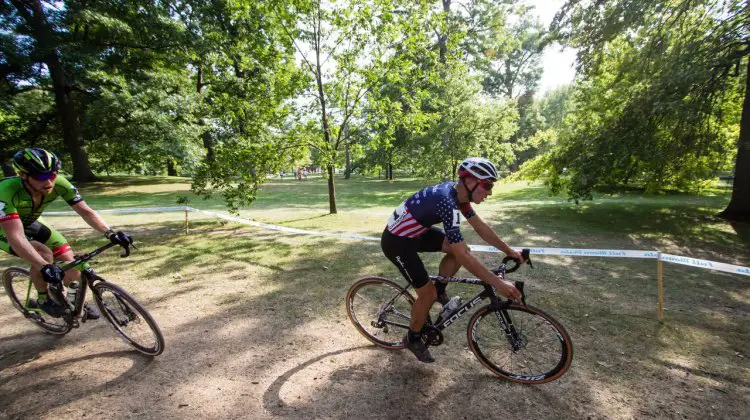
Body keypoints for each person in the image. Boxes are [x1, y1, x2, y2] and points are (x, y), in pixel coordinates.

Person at [381, 157, 524, 363]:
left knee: (460, 248)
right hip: (398, 242)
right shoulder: (446, 201)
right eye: (487, 185)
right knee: (427, 292)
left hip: (416, 233)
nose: (490, 192)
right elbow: (463, 258)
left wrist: (509, 250)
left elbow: (480, 227)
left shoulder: (459, 195)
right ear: (470, 181)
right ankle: (412, 337)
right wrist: (498, 283)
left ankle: (439, 291)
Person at [0, 148, 133, 319]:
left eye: (53, 174)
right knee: (43, 254)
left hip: (30, 222)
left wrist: (110, 233)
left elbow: (86, 211)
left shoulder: (61, 184)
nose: (48, 181)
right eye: (41, 177)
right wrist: (44, 266)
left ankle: (73, 305)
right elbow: (16, 236)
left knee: (72, 263)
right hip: (5, 228)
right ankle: (43, 299)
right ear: (23, 175)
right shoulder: (6, 192)